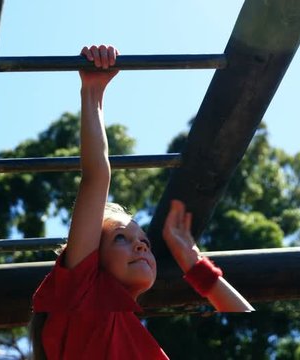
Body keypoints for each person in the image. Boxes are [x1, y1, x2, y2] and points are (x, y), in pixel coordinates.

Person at [31, 45, 253, 360]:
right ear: (92, 262)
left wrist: (194, 264)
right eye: (121, 237)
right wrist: (93, 92)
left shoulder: (140, 341)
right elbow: (97, 177)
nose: (141, 246)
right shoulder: (83, 301)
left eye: (145, 242)